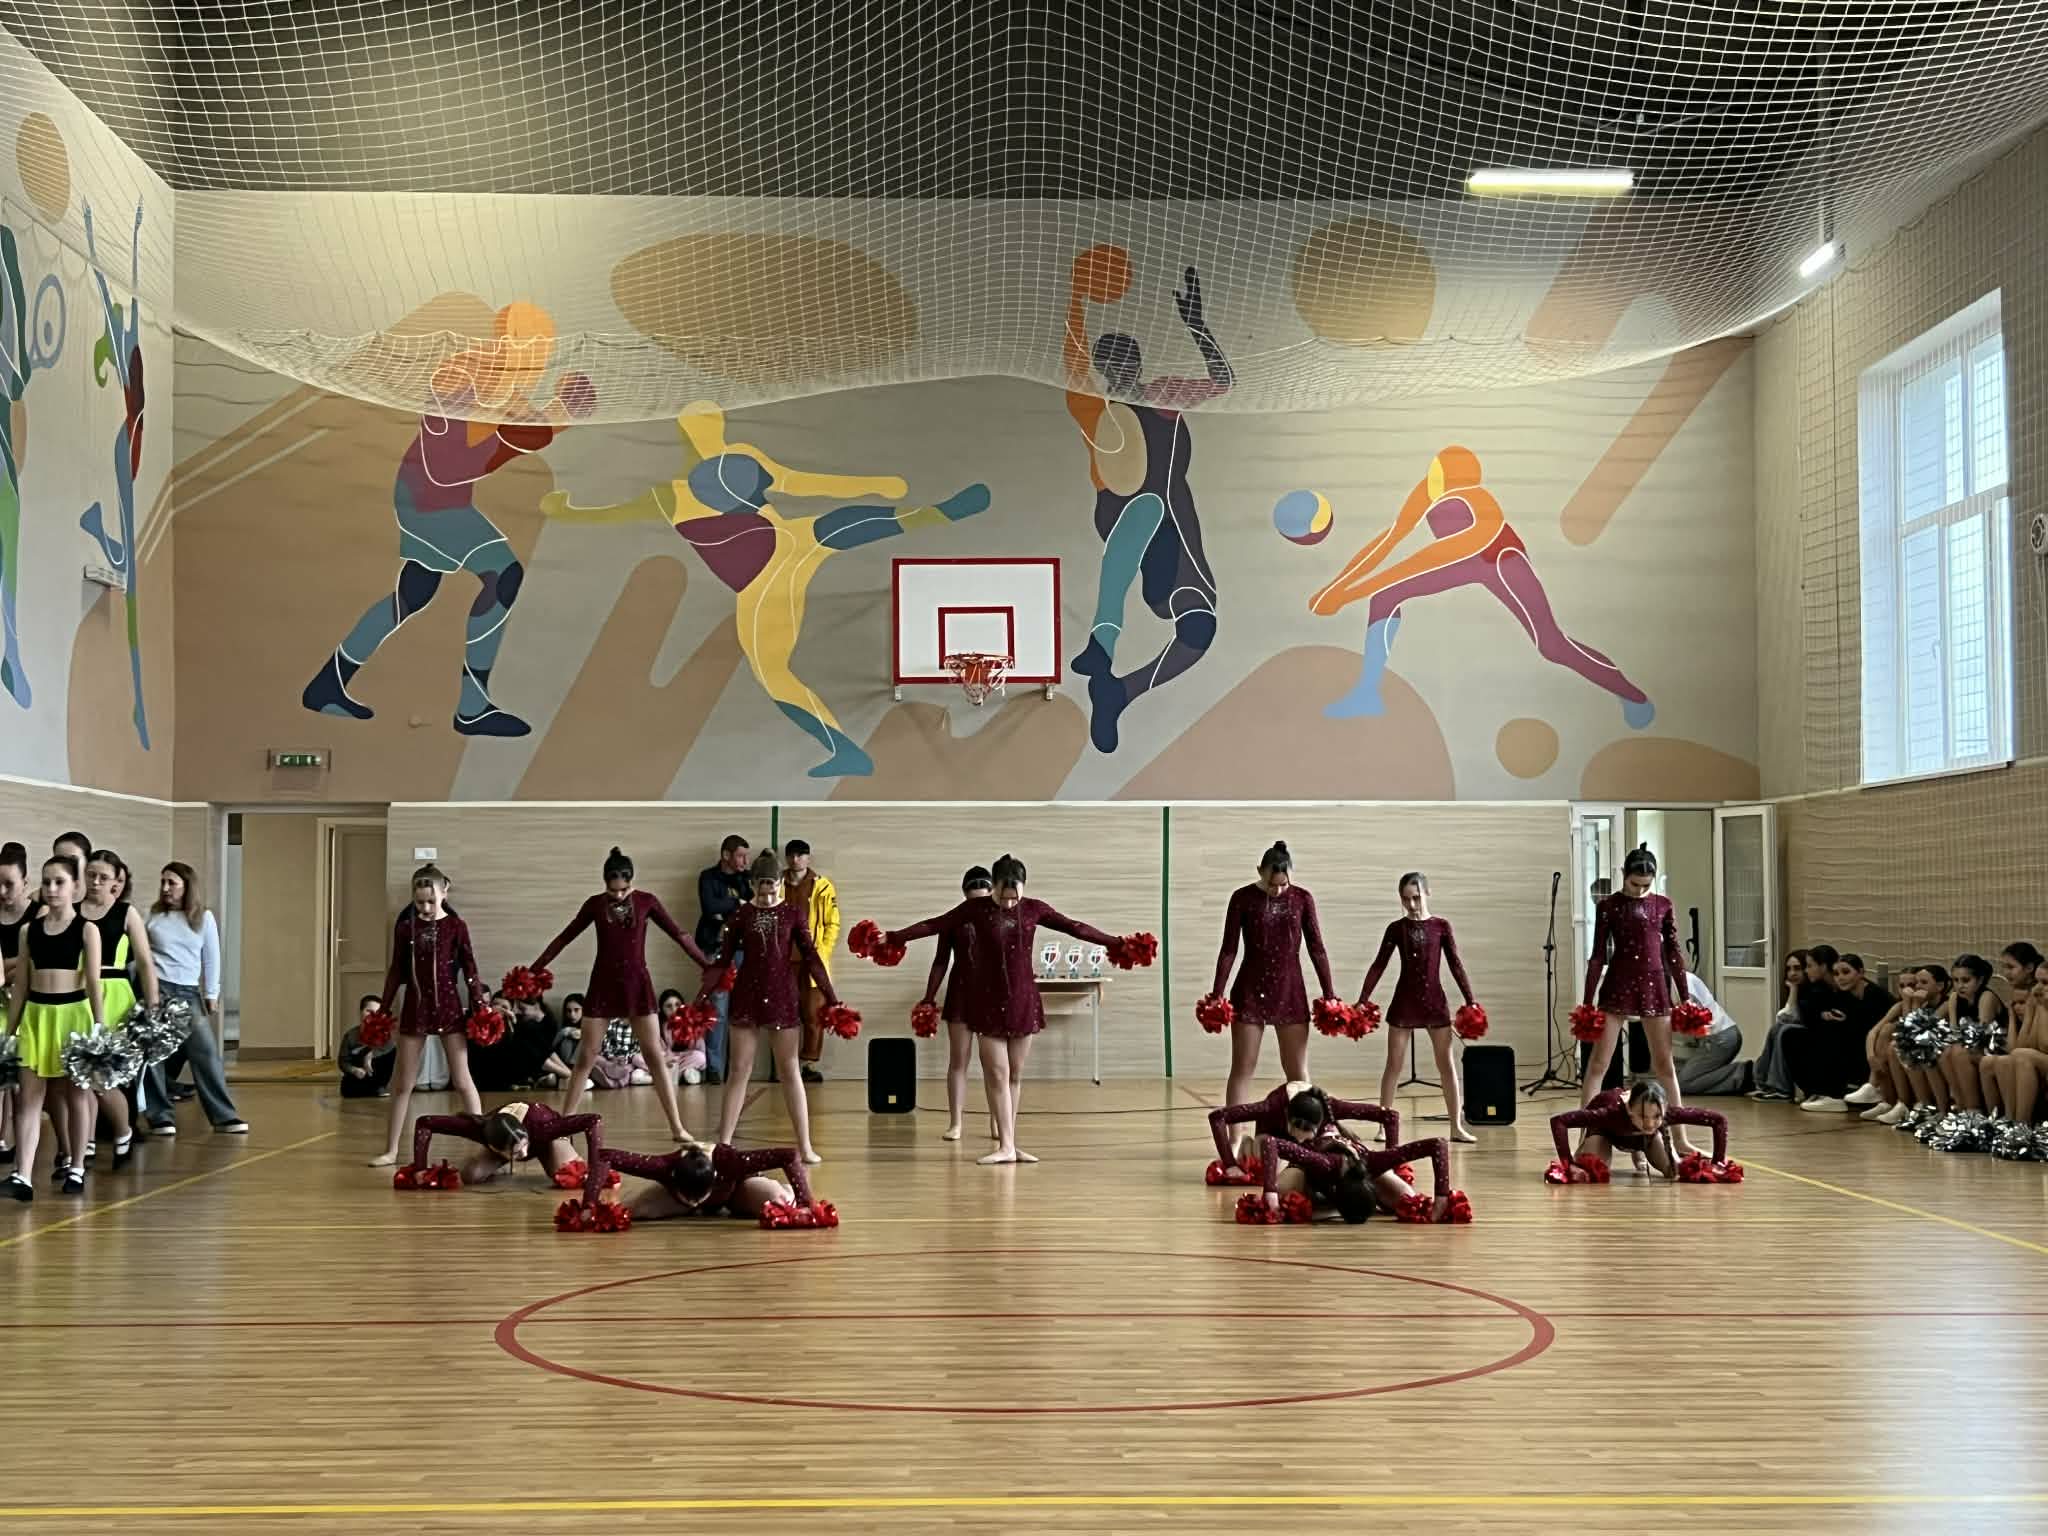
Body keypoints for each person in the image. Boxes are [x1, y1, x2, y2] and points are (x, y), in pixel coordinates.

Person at [539, 406, 988, 776]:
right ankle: (845, 751)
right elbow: (611, 513)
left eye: (710, 420)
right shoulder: (672, 493)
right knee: (779, 662)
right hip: (766, 576)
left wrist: (873, 484)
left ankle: (935, 514)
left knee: (831, 533)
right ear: (686, 432)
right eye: (699, 423)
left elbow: (805, 482)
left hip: (777, 556)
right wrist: (567, 511)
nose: (706, 429)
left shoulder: (737, 463)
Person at [303, 302, 594, 736]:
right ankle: (472, 708)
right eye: (536, 343)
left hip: (434, 496)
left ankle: (326, 685)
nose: (542, 356)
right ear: (510, 337)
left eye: (547, 348)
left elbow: (525, 431)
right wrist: (554, 418)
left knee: (413, 593)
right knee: (504, 576)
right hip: (430, 500)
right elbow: (451, 465)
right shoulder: (462, 375)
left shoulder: (503, 385)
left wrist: (559, 416)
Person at [1310, 445, 1653, 727]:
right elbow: (1387, 540)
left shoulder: (1481, 506)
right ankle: (1367, 693)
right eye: (1434, 470)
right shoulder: (1427, 492)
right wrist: (1335, 588)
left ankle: (1630, 694)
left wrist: (1348, 596)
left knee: (1551, 645)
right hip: (1459, 562)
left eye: (1440, 473)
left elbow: (1424, 560)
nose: (1433, 478)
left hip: (1499, 561)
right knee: (1386, 597)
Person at [1063, 245, 1230, 753]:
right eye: (1110, 359)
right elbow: (1072, 357)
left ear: (1138, 361)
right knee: (1146, 507)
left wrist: (1198, 327)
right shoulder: (1092, 404)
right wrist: (1075, 296)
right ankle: (1102, 641)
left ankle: (1120, 691)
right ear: (1101, 365)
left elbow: (1223, 381)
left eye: (1127, 356)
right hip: (1124, 513)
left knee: (1198, 628)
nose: (1121, 364)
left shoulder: (1163, 395)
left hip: (1175, 521)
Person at [879, 854, 1130, 1165]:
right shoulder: (975, 909)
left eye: (1015, 897)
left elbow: (1074, 927)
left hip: (1023, 1000)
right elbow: (934, 924)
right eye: (1003, 896)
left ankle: (1010, 1143)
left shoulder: (1035, 909)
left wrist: (1116, 943)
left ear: (1023, 888)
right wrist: (894, 937)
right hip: (986, 1002)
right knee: (997, 1074)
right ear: (994, 887)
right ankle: (1006, 1146)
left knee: (1014, 1075)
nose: (1009, 903)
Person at [531, 846, 712, 1142]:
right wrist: (535, 968)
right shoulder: (594, 905)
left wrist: (706, 965)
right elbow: (564, 938)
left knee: (654, 1056)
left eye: (623, 889)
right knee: (586, 1056)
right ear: (605, 883)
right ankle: (563, 1127)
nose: (618, 895)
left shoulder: (646, 901)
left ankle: (677, 1127)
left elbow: (679, 934)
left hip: (637, 985)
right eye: (612, 890)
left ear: (631, 882)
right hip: (602, 984)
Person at [710, 852, 838, 1164]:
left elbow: (811, 957)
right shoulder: (742, 915)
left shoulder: (793, 913)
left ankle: (805, 1146)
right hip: (747, 996)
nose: (767, 899)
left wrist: (832, 998)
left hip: (782, 994)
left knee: (790, 1070)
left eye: (772, 892)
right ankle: (723, 1144)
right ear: (753, 885)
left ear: (780, 884)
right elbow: (722, 961)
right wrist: (702, 998)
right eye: (761, 892)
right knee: (739, 1070)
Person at [1202, 841, 1338, 1125]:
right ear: (1259, 871)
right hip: (1250, 990)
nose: (1277, 891)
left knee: (1297, 1072)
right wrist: (1217, 993)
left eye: (1283, 884)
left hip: (1290, 990)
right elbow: (1228, 950)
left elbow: (1317, 949)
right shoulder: (1242, 898)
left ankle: (1310, 1136)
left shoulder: (1302, 899)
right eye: (1271, 884)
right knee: (1242, 1068)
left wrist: (1330, 994)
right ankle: (1235, 1140)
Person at [1579, 845, 1699, 1151]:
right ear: (1623, 874)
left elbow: (1673, 953)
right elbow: (1597, 956)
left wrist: (1685, 997)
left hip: (1654, 985)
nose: (1640, 890)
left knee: (1665, 1064)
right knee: (1598, 1064)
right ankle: (1586, 1136)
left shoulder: (1663, 905)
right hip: (1618, 984)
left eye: (1646, 885)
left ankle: (1681, 1139)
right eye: (1634, 884)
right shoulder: (1608, 906)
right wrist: (1588, 1001)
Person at [368, 864, 486, 1166]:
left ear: (444, 893)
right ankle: (391, 1150)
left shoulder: (456, 926)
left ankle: (484, 1144)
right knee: (402, 1083)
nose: (426, 908)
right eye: (420, 902)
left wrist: (479, 1007)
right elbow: (396, 971)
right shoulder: (405, 928)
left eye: (431, 901)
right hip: (415, 1008)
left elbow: (470, 969)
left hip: (448, 1007)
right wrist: (383, 1009)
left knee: (463, 1080)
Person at [4, 854, 105, 1199]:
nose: (51, 888)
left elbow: (93, 982)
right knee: (28, 1099)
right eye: (46, 882)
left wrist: (99, 1027)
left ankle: (76, 1167)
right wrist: (10, 1032)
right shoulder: (28, 931)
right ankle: (23, 1175)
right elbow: (21, 985)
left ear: (75, 886)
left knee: (76, 1096)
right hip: (36, 1017)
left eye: (59, 882)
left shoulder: (87, 930)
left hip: (73, 1018)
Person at [1360, 871, 1479, 1142]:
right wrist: (1363, 999)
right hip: (1404, 1001)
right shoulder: (1396, 928)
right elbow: (1379, 964)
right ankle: (1383, 1126)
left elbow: (1455, 964)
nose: (1411, 905)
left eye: (1416, 898)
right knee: (1394, 1064)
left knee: (1446, 1064)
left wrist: (1470, 1000)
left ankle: (1455, 1126)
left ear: (1427, 893)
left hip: (1435, 1001)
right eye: (1405, 899)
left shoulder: (1441, 927)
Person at [1256, 1085, 1462, 1222]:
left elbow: (1438, 1144)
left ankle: (1329, 1209)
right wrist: (1270, 1194)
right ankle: (1327, 1208)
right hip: (1310, 1160)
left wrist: (1441, 1198)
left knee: (1408, 1201)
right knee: (1284, 1199)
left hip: (1352, 1155)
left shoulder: (1373, 1162)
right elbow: (1270, 1143)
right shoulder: (1322, 1163)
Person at [143, 861, 245, 1135]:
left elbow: (212, 957)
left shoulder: (203, 917)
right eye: (163, 882)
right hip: (158, 989)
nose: (165, 888)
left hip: (188, 992)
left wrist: (212, 993)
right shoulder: (154, 916)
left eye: (172, 883)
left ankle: (224, 1116)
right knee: (154, 1055)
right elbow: (141, 955)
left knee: (206, 1053)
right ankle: (160, 1117)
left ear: (187, 886)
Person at [80, 850, 157, 1168]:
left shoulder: (126, 913)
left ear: (116, 881)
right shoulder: (73, 910)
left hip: (116, 993)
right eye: (91, 875)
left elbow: (145, 962)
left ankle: (123, 1131)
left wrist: (152, 1006)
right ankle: (85, 1142)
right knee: (80, 1073)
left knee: (110, 1074)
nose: (96, 882)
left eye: (103, 877)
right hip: (80, 994)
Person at [404, 1101, 605, 1199]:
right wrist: (420, 1169)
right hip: (510, 1141)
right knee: (470, 1175)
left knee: (567, 1176)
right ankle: (502, 1161)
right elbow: (425, 1122)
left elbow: (593, 1120)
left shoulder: (543, 1127)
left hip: (548, 1138)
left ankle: (567, 1156)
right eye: (516, 1153)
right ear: (494, 1148)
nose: (524, 1155)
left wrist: (595, 1164)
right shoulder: (479, 1129)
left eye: (523, 1147)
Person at [922, 866, 993, 1141]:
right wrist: (929, 997)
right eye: (971, 901)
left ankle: (997, 1122)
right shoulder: (954, 919)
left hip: (991, 994)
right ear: (964, 895)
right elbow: (941, 960)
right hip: (961, 993)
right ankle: (956, 1123)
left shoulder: (1000, 918)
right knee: (958, 1060)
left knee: (993, 1064)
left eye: (982, 900)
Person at [1208, 1078, 1397, 1179]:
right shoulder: (1272, 1107)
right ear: (1287, 1118)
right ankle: (1246, 1146)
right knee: (1273, 1171)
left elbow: (1390, 1116)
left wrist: (1393, 1163)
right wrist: (1230, 1164)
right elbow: (1217, 1117)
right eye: (1295, 1133)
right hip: (1272, 1136)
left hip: (1315, 1138)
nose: (1298, 1141)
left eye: (1305, 1136)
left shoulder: (1332, 1107)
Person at [603, 1138, 820, 1223]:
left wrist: (804, 1202)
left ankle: (785, 1191)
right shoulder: (663, 1167)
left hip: (736, 1191)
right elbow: (605, 1156)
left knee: (779, 1202)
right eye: (690, 1198)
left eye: (698, 1198)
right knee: (635, 1210)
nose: (695, 1202)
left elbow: (789, 1155)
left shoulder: (730, 1162)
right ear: (674, 1178)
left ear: (714, 1178)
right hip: (679, 1196)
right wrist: (590, 1204)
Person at [1548, 1081, 1732, 1181]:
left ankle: (1638, 1150)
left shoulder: (1668, 1113)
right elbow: (1559, 1121)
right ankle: (1585, 1150)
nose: (1650, 1123)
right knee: (1593, 1173)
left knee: (1675, 1171)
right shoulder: (1610, 1112)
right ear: (1629, 1109)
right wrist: (1568, 1163)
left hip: (1644, 1138)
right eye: (1643, 1116)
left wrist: (1718, 1162)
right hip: (1605, 1132)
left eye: (1657, 1117)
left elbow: (1719, 1120)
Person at [1791, 953, 1894, 1113]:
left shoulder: (1876, 996)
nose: (1840, 978)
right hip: (1856, 1046)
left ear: (1860, 972)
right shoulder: (1843, 995)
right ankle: (1817, 1092)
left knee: (1832, 1034)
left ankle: (1833, 1095)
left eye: (1846, 972)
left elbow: (1874, 1029)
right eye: (1836, 974)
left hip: (1874, 1050)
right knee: (1795, 1036)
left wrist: (1845, 1023)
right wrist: (1826, 1015)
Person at [695, 835, 752, 1085]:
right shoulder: (708, 877)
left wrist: (728, 908)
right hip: (717, 949)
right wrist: (736, 903)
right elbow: (710, 907)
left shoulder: (746, 879)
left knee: (741, 1010)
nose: (745, 861)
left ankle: (737, 1068)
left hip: (744, 950)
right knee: (718, 1006)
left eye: (746, 856)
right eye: (740, 856)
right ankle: (714, 1067)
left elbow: (752, 906)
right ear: (726, 855)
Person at [782, 839, 840, 1083]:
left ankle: (808, 1064)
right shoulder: (777, 884)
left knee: (813, 1013)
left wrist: (822, 950)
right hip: (784, 960)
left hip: (812, 961)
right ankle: (785, 1064)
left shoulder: (822, 886)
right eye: (791, 855)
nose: (795, 859)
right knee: (784, 1014)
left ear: (808, 858)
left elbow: (832, 923)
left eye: (800, 855)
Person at [1930, 953, 2007, 1119]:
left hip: (1994, 1050)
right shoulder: (1954, 998)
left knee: (1958, 1051)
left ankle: (1974, 1109)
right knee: (1943, 1052)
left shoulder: (1987, 997)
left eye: (1966, 980)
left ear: (1980, 980)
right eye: (1955, 980)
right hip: (1967, 1049)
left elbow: (1981, 1037)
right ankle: (1960, 1106)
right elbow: (1953, 1031)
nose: (1960, 986)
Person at [0, 840, 36, 1163]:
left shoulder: (37, 916)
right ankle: (4, 1137)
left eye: (9, 884)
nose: (2, 891)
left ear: (26, 882)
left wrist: (10, 966)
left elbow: (33, 961)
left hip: (30, 1002)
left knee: (22, 1077)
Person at [1985, 957, 2048, 1124]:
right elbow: (2026, 1045)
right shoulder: (2041, 1004)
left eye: (2045, 982)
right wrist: (2032, 1012)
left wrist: (2043, 1009)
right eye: (2037, 982)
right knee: (2006, 1060)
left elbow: (2045, 1044)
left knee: (2021, 1056)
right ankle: (2008, 1120)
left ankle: (2022, 1124)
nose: (2038, 988)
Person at [1748, 949, 1811, 1101]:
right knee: (1776, 1029)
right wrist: (1793, 991)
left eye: (1797, 968)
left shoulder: (1812, 991)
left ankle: (1781, 1088)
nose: (1792, 973)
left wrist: (1793, 990)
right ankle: (1762, 1082)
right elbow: (1783, 1018)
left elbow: (1787, 1018)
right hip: (1798, 1030)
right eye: (1789, 969)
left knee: (1784, 1030)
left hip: (1811, 1033)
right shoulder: (1796, 990)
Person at [1671, 971, 1747, 1095]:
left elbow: (1685, 1017)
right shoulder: (1683, 977)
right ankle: (1740, 1074)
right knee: (1684, 1076)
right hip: (1726, 1034)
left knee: (1684, 1084)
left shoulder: (1680, 984)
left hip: (1719, 1038)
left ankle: (1743, 1074)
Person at [339, 994, 396, 1099]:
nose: (372, 1015)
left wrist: (370, 1054)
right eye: (369, 1011)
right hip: (360, 1074)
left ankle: (380, 1087)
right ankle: (369, 1089)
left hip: (379, 1073)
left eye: (377, 1012)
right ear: (361, 1012)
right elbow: (343, 1061)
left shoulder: (387, 1033)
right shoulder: (350, 1035)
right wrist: (353, 1070)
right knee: (347, 1088)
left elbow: (390, 1053)